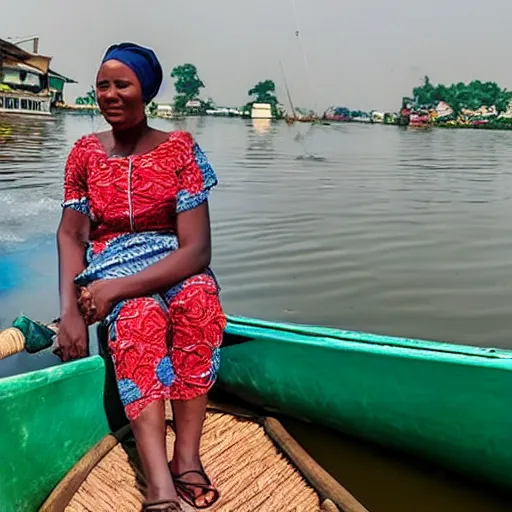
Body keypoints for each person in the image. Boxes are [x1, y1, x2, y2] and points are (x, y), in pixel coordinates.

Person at [57, 42, 225, 512]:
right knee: (137, 321)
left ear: (145, 91)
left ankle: (186, 458)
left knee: (199, 304)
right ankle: (158, 482)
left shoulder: (180, 151)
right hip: (110, 265)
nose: (109, 94)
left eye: (121, 84)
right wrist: (72, 311)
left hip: (173, 264)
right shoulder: (84, 155)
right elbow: (72, 236)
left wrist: (112, 290)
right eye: (102, 85)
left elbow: (197, 249)